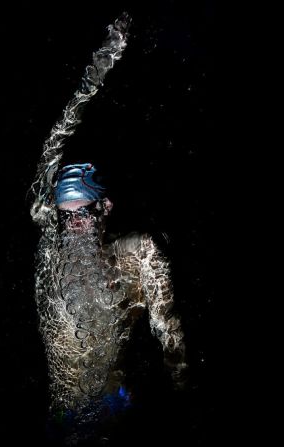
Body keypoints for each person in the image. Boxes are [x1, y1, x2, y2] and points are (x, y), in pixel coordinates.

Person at [29, 13, 188, 445]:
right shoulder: (51, 246)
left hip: (116, 408)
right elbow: (51, 147)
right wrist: (101, 63)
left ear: (106, 207)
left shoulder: (137, 254)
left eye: (84, 212)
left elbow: (168, 330)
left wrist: (181, 390)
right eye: (67, 215)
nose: (75, 224)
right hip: (61, 417)